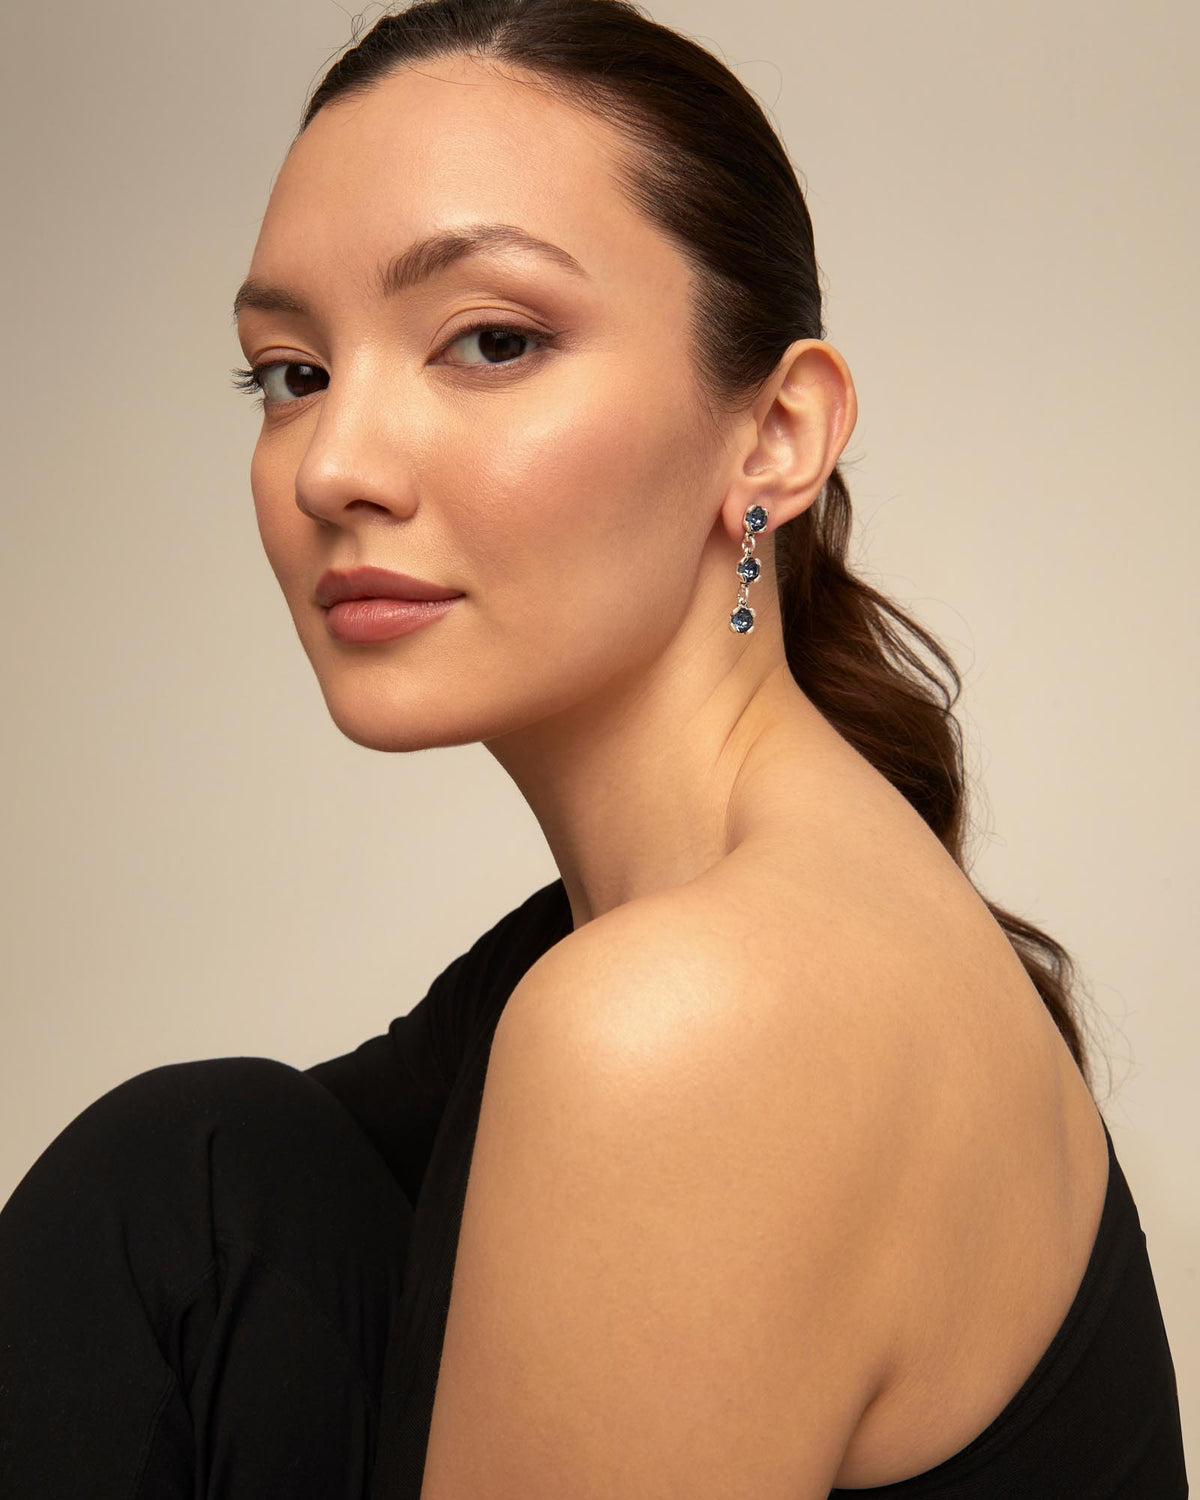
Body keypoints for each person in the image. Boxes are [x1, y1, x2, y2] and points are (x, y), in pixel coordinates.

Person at [0, 0, 1188, 1495]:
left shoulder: (692, 1023)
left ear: (775, 434)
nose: (335, 467)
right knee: (200, 1166)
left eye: (491, 341)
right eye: (292, 373)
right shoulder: (676, 933)